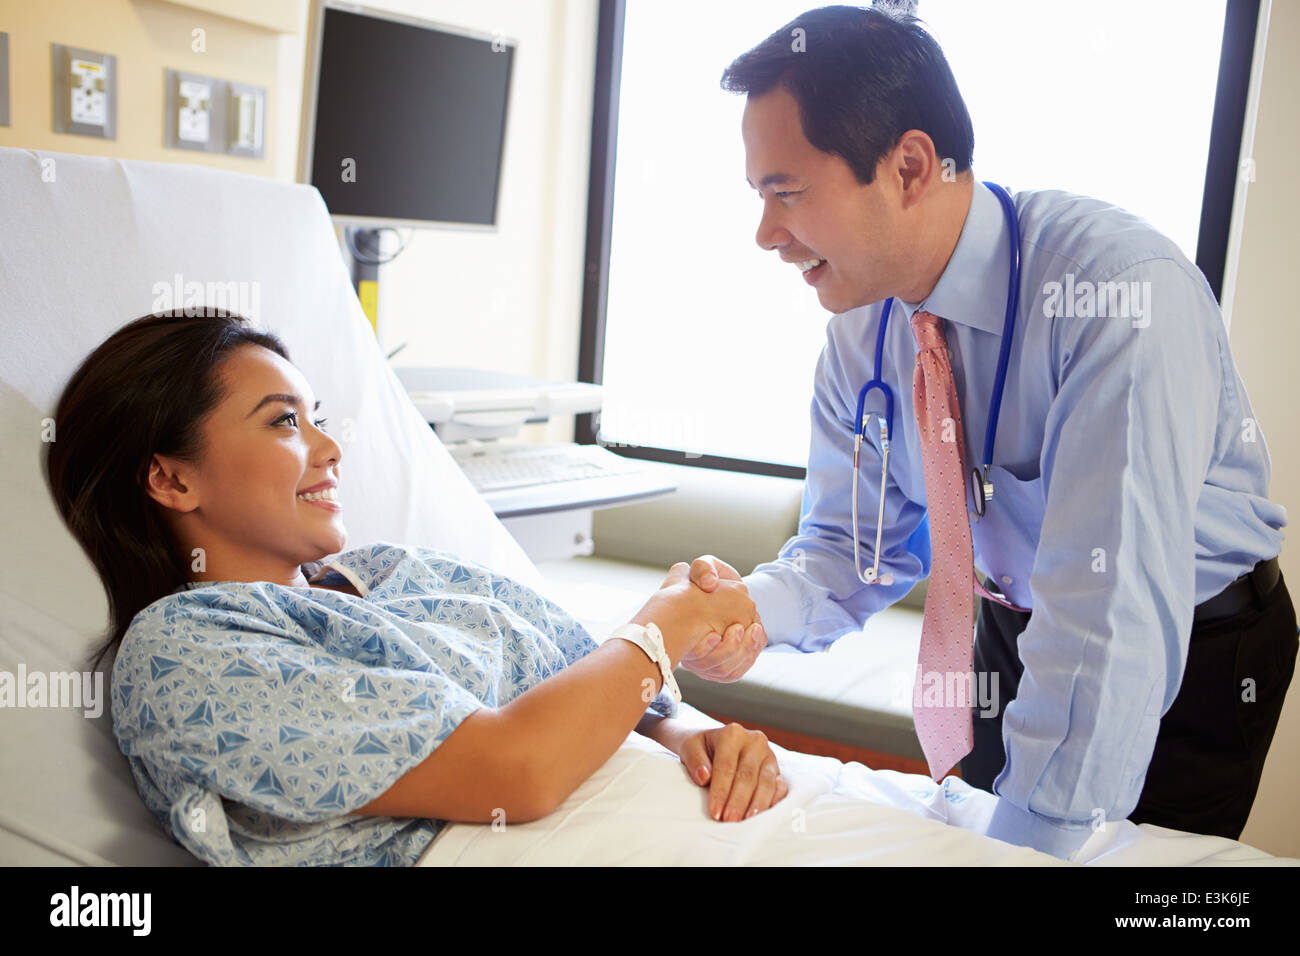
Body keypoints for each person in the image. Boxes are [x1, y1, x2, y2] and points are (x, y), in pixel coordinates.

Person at [681, 4, 1297, 860]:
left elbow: (1105, 621)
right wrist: (738, 610)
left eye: (786, 193)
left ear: (907, 166)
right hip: (1006, 629)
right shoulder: (860, 331)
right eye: (758, 196)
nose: (765, 235)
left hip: (1193, 644)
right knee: (980, 837)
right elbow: (845, 549)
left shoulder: (1118, 297)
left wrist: (1028, 853)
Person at [45, 310, 785, 866]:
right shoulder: (186, 652)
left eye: (320, 420)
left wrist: (687, 735)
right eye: (284, 424)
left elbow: (600, 681)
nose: (330, 449)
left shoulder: (397, 574)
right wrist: (668, 625)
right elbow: (514, 774)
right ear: (172, 477)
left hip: (722, 820)